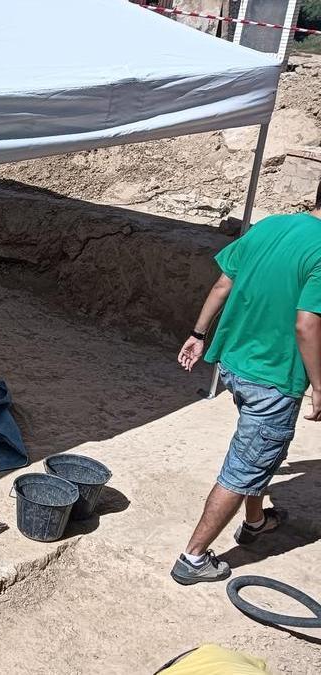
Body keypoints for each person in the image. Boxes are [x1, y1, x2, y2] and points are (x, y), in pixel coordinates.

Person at [172, 184, 321, 585]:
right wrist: (319, 386)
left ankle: (254, 522)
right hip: (273, 378)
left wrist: (198, 334)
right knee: (244, 466)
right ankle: (193, 557)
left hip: (235, 365)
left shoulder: (271, 225)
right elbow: (306, 324)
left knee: (260, 451)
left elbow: (224, 284)